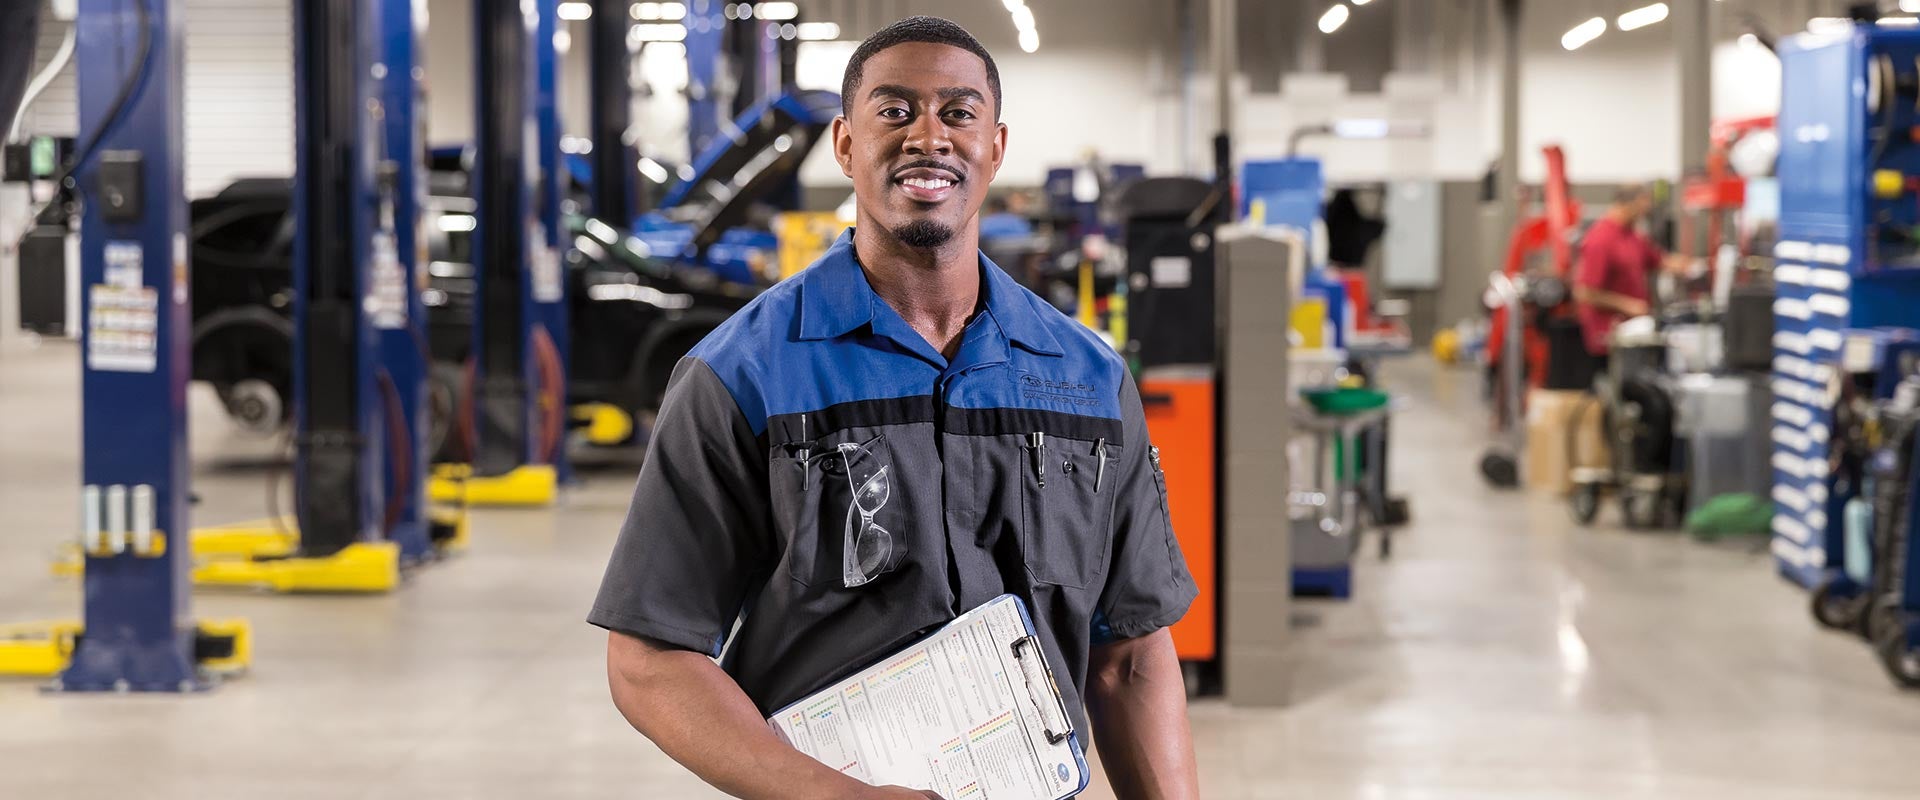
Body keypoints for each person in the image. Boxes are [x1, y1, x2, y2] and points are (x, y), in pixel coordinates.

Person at [590, 16, 1201, 800]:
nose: (928, 136)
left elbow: (1132, 658)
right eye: (894, 110)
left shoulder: (1086, 378)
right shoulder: (743, 374)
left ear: (996, 145)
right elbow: (647, 663)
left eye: (958, 112)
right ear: (846, 145)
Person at [1572, 184, 1689, 357]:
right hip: (1609, 337)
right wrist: (1628, 305)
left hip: (1635, 332)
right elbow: (1584, 292)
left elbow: (1661, 260)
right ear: (1629, 204)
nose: (1645, 211)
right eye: (1643, 205)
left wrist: (1699, 265)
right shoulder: (1600, 239)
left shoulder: (1632, 236)